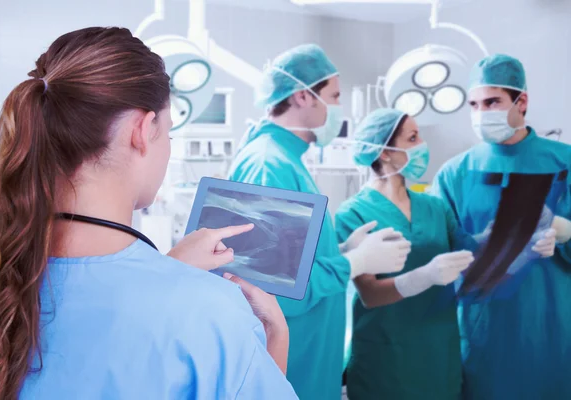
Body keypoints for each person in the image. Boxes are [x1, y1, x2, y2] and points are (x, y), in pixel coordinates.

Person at [0, 27, 298, 400]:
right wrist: (275, 335)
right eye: (169, 133)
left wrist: (168, 271)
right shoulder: (213, 313)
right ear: (142, 130)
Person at [227, 44, 412, 400]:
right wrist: (352, 262)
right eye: (335, 95)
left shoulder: (286, 159)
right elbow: (273, 291)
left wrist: (341, 249)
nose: (338, 107)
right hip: (294, 366)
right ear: (302, 96)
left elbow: (288, 258)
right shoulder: (271, 164)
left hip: (309, 357)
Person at [432, 54, 571, 400]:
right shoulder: (455, 172)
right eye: (474, 104)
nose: (481, 113)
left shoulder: (563, 162)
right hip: (485, 330)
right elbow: (439, 248)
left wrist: (565, 232)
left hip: (552, 325)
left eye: (492, 102)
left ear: (521, 101)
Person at [335, 109, 476, 400]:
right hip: (386, 360)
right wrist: (424, 276)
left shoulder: (435, 206)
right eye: (413, 138)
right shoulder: (354, 213)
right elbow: (370, 294)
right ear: (385, 152)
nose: (422, 144)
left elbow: (471, 253)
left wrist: (517, 234)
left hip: (439, 357)